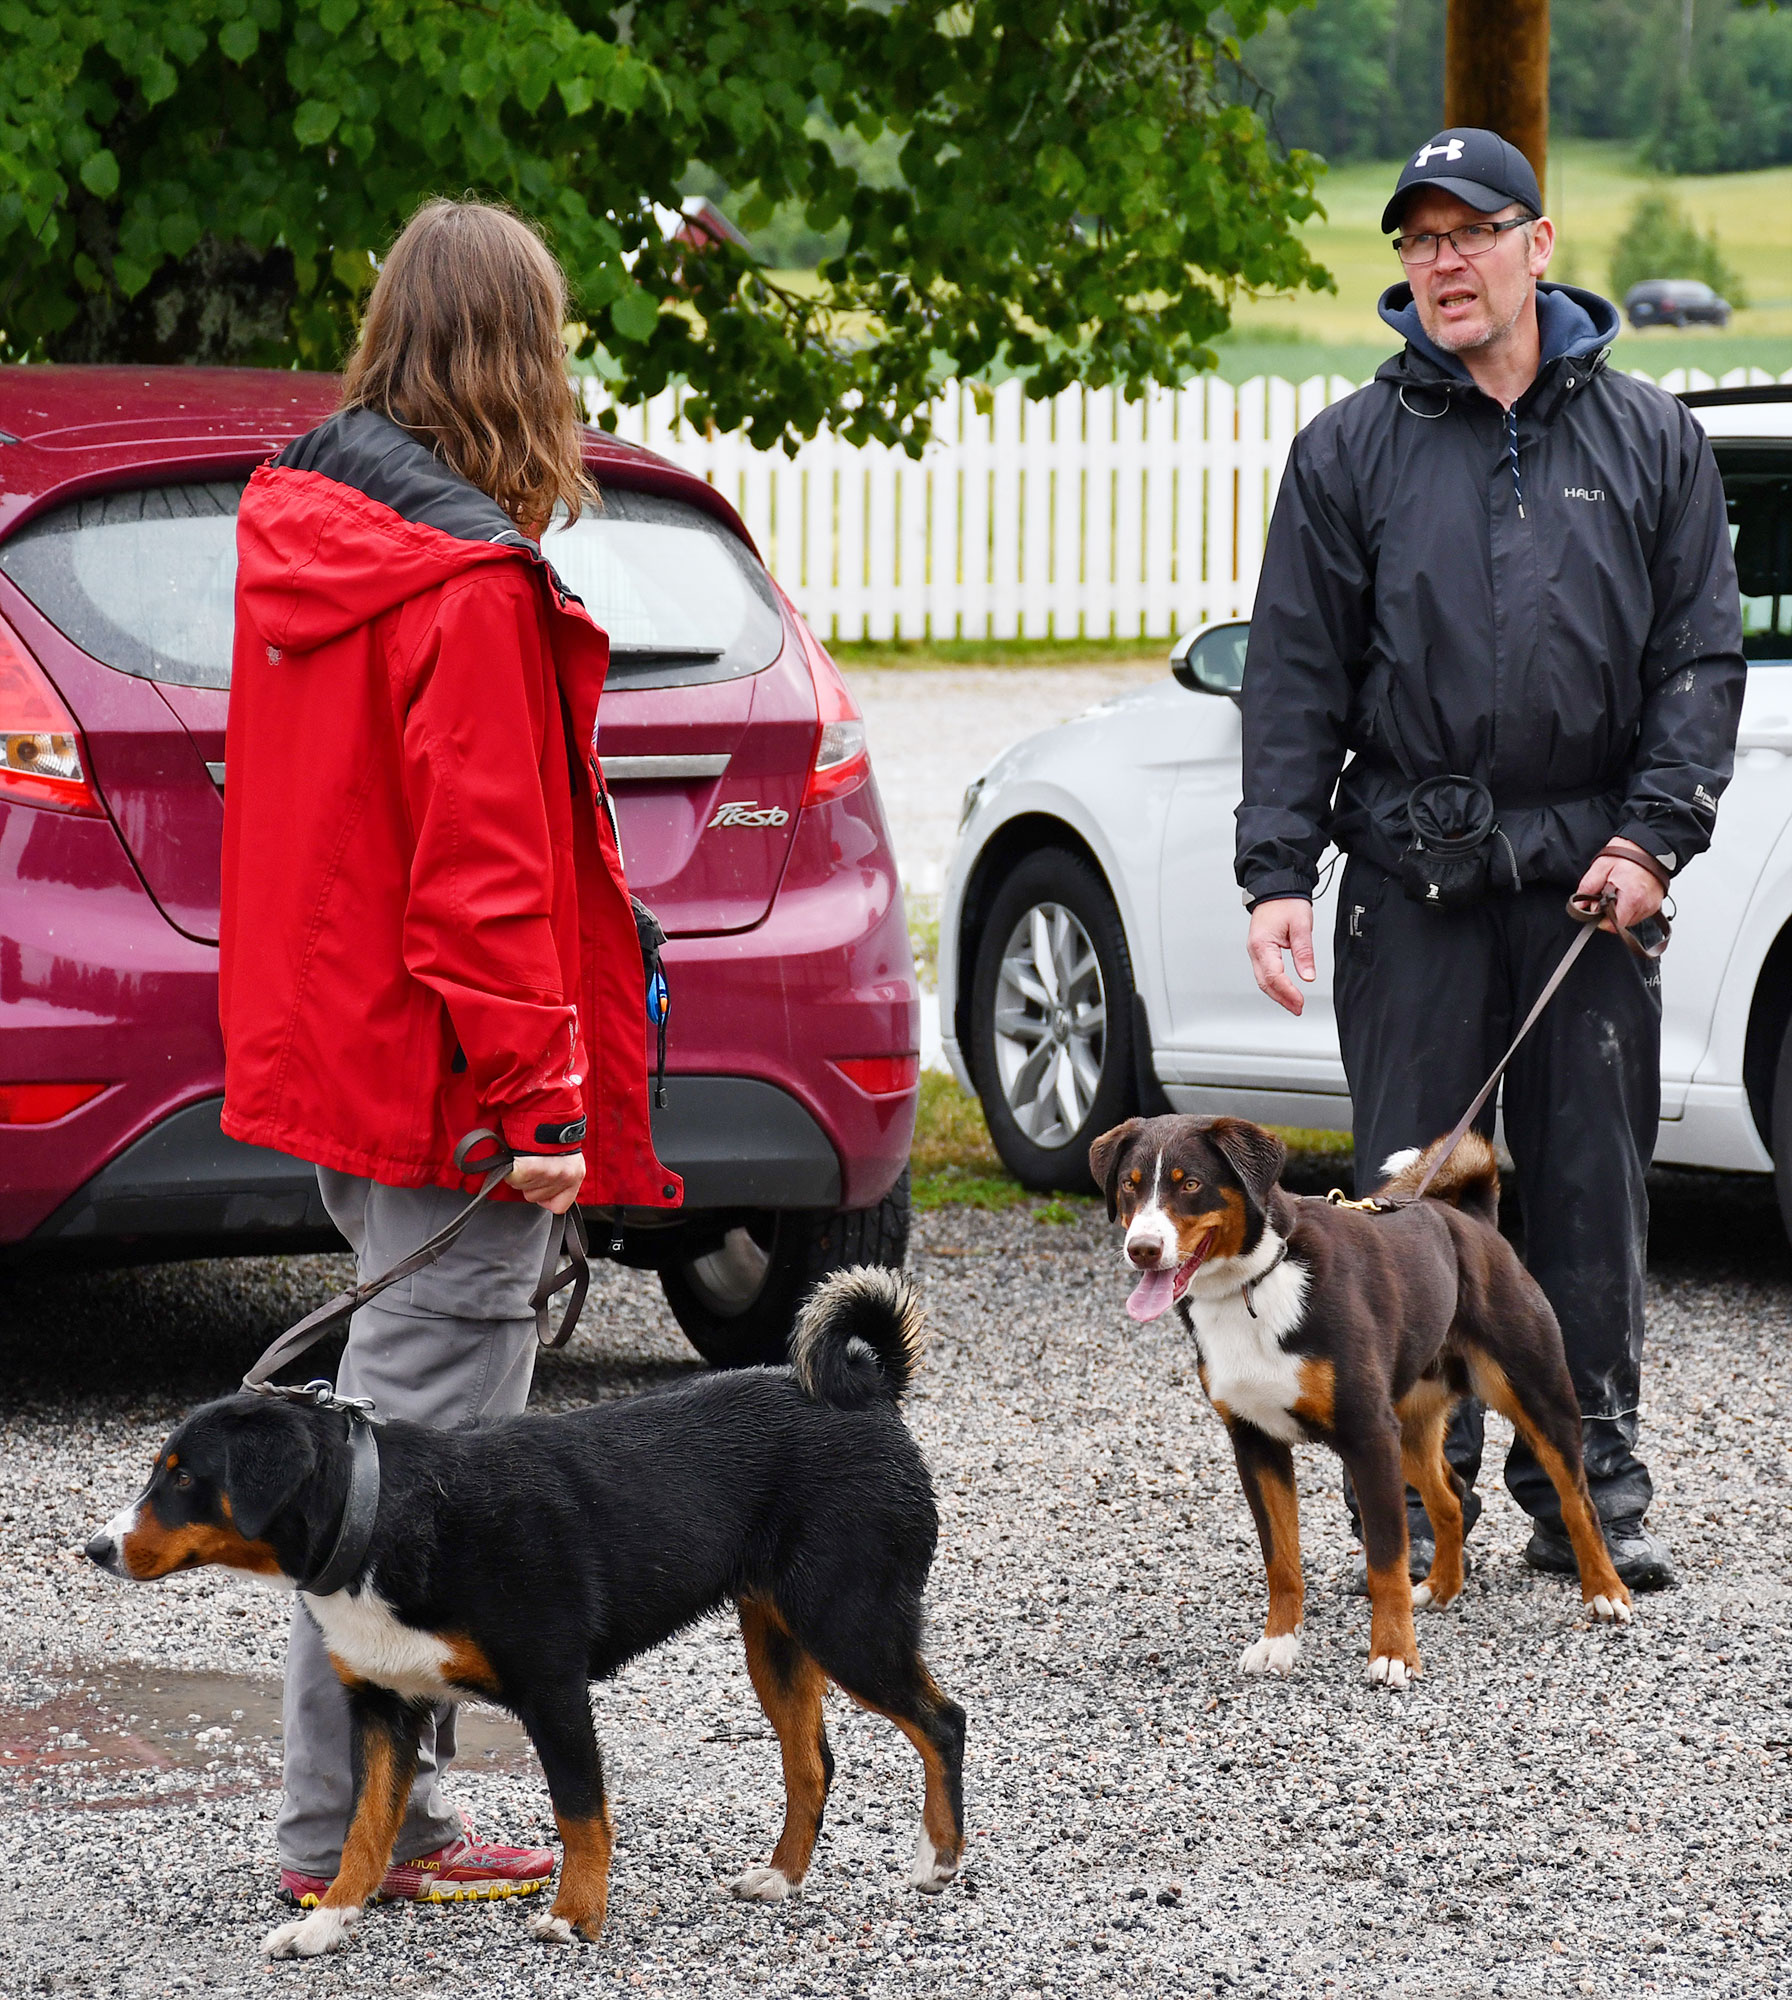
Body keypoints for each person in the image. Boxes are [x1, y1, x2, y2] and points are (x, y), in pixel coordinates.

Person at [220, 199, 680, 1907]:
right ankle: (344, 1839)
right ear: (518, 359)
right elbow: (481, 886)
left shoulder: (319, 540)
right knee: (409, 1476)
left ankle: (361, 1822)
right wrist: (544, 1101)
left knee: (379, 1437)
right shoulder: (464, 585)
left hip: (351, 1061)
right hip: (448, 1091)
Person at [1235, 128, 1744, 1592]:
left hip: (1592, 883)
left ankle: (1585, 1488)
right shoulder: (1350, 451)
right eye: (1418, 239)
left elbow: (1699, 666)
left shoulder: (1652, 440)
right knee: (1408, 1198)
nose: (1442, 263)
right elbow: (1293, 679)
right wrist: (1279, 872)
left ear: (1541, 244)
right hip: (1413, 878)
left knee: (1587, 1190)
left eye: (1470, 233)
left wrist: (1655, 838)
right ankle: (1412, 1487)